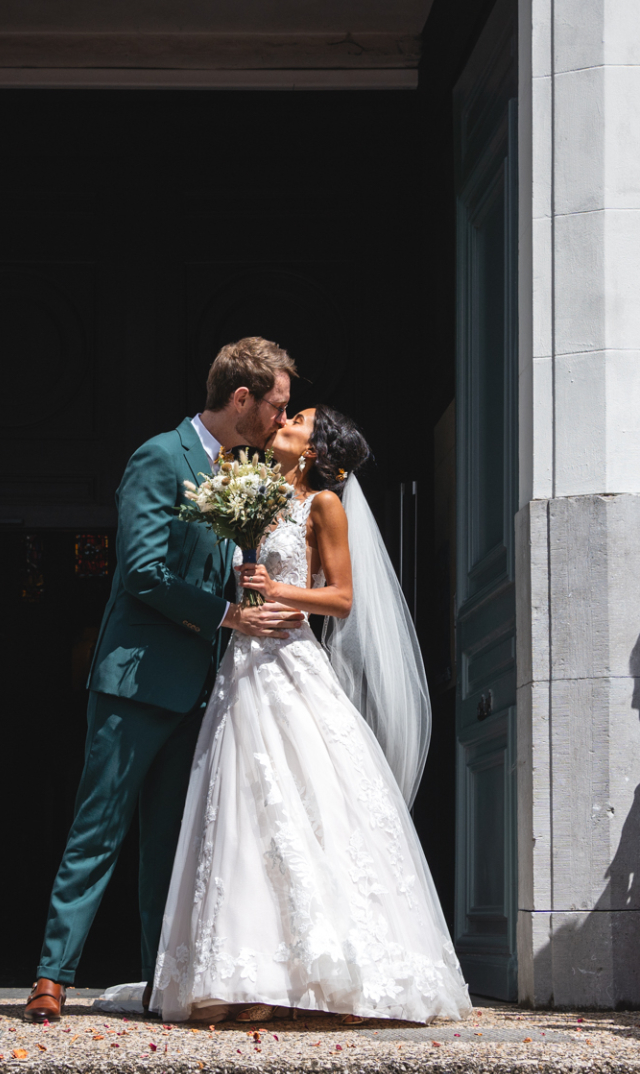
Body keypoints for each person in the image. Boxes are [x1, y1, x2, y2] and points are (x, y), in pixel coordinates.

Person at [150, 405, 468, 1024]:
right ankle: (252, 974)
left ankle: (341, 971)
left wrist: (277, 590)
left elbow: (342, 599)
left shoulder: (324, 504)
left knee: (314, 804)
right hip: (242, 662)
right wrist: (242, 591)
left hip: (292, 662)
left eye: (298, 418)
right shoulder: (257, 497)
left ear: (314, 447)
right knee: (244, 811)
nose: (285, 419)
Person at [24, 337, 306, 1025]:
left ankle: (161, 981)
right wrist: (229, 613)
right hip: (138, 681)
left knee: (173, 846)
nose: (279, 418)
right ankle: (51, 976)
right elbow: (143, 573)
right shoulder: (160, 457)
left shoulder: (240, 470)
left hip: (204, 688)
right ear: (241, 398)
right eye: (276, 405)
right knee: (98, 829)